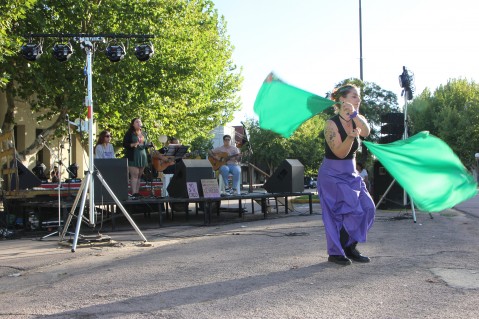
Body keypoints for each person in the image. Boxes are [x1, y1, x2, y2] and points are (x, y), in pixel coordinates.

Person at [318, 84, 375, 266]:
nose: (359, 100)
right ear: (343, 99)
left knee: (367, 207)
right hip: (332, 175)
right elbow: (340, 153)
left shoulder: (357, 118)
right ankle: (336, 252)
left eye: (358, 97)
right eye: (354, 96)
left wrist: (355, 115)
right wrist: (350, 137)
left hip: (351, 173)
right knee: (339, 214)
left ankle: (350, 246)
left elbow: (366, 132)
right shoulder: (331, 124)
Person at [122, 118, 148, 198]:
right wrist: (133, 144)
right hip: (133, 156)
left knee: (139, 175)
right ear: (133, 124)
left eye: (140, 121)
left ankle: (137, 192)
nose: (139, 123)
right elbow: (125, 144)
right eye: (137, 122)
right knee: (135, 175)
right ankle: (133, 193)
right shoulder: (129, 133)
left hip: (142, 155)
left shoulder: (144, 133)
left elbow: (145, 144)